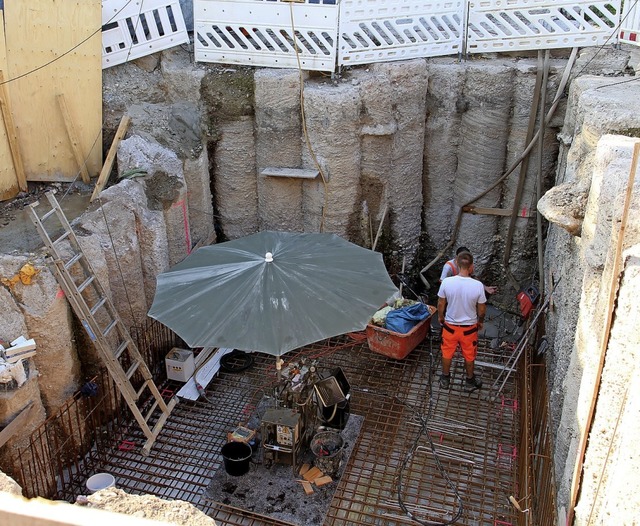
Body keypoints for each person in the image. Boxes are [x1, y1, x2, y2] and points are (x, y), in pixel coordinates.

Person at [437, 251, 486, 391]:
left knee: (447, 353)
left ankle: (445, 378)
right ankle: (469, 381)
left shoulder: (447, 282)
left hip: (450, 328)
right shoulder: (477, 286)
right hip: (469, 330)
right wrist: (480, 321)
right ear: (471, 266)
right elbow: (482, 309)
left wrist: (441, 317)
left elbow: (441, 303)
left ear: (457, 264)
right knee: (469, 355)